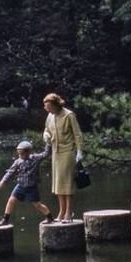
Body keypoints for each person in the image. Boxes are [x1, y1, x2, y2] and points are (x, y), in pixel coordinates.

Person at [43, 93, 84, 223]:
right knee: (58, 183)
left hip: (68, 151)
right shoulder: (50, 116)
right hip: (56, 152)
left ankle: (68, 213)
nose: (47, 110)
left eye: (49, 107)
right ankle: (61, 211)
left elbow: (78, 134)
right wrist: (46, 136)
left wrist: (80, 151)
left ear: (56, 105)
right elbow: (46, 130)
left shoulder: (69, 115)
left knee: (67, 183)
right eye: (46, 107)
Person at [0, 140, 53, 226]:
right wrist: (3, 181)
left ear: (28, 152)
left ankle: (49, 217)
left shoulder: (35, 158)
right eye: (19, 154)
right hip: (21, 185)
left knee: (37, 204)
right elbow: (10, 172)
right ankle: (5, 219)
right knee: (11, 200)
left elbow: (46, 154)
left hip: (31, 186)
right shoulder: (18, 162)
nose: (20, 155)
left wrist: (48, 144)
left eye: (22, 153)